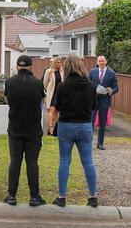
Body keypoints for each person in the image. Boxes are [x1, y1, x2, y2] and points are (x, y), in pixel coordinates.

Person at [49, 55, 98, 208]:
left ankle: (62, 197)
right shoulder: (90, 85)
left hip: (66, 126)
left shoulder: (63, 86)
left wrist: (51, 124)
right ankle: (93, 197)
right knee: (88, 162)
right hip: (84, 125)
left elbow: (55, 108)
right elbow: (93, 106)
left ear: (68, 68)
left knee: (64, 161)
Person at [3, 55, 46, 207]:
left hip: (15, 128)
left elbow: (8, 100)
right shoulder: (38, 83)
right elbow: (42, 101)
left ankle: (11, 195)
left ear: (17, 66)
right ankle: (34, 196)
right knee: (32, 163)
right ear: (30, 66)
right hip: (33, 129)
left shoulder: (9, 82)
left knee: (15, 162)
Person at [89, 55, 119, 150]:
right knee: (90, 122)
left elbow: (116, 88)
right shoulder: (92, 72)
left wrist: (111, 90)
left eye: (103, 61)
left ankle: (100, 143)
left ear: (106, 62)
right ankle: (88, 143)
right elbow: (88, 84)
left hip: (105, 101)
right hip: (93, 100)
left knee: (102, 123)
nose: (101, 62)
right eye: (100, 61)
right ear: (97, 62)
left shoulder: (112, 73)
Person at [43, 56, 64, 135]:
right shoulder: (49, 71)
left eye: (60, 62)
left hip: (60, 93)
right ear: (55, 63)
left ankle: (55, 128)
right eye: (58, 62)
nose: (59, 64)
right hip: (52, 93)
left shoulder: (62, 71)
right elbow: (45, 83)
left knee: (57, 112)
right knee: (52, 110)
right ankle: (50, 128)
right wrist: (48, 90)